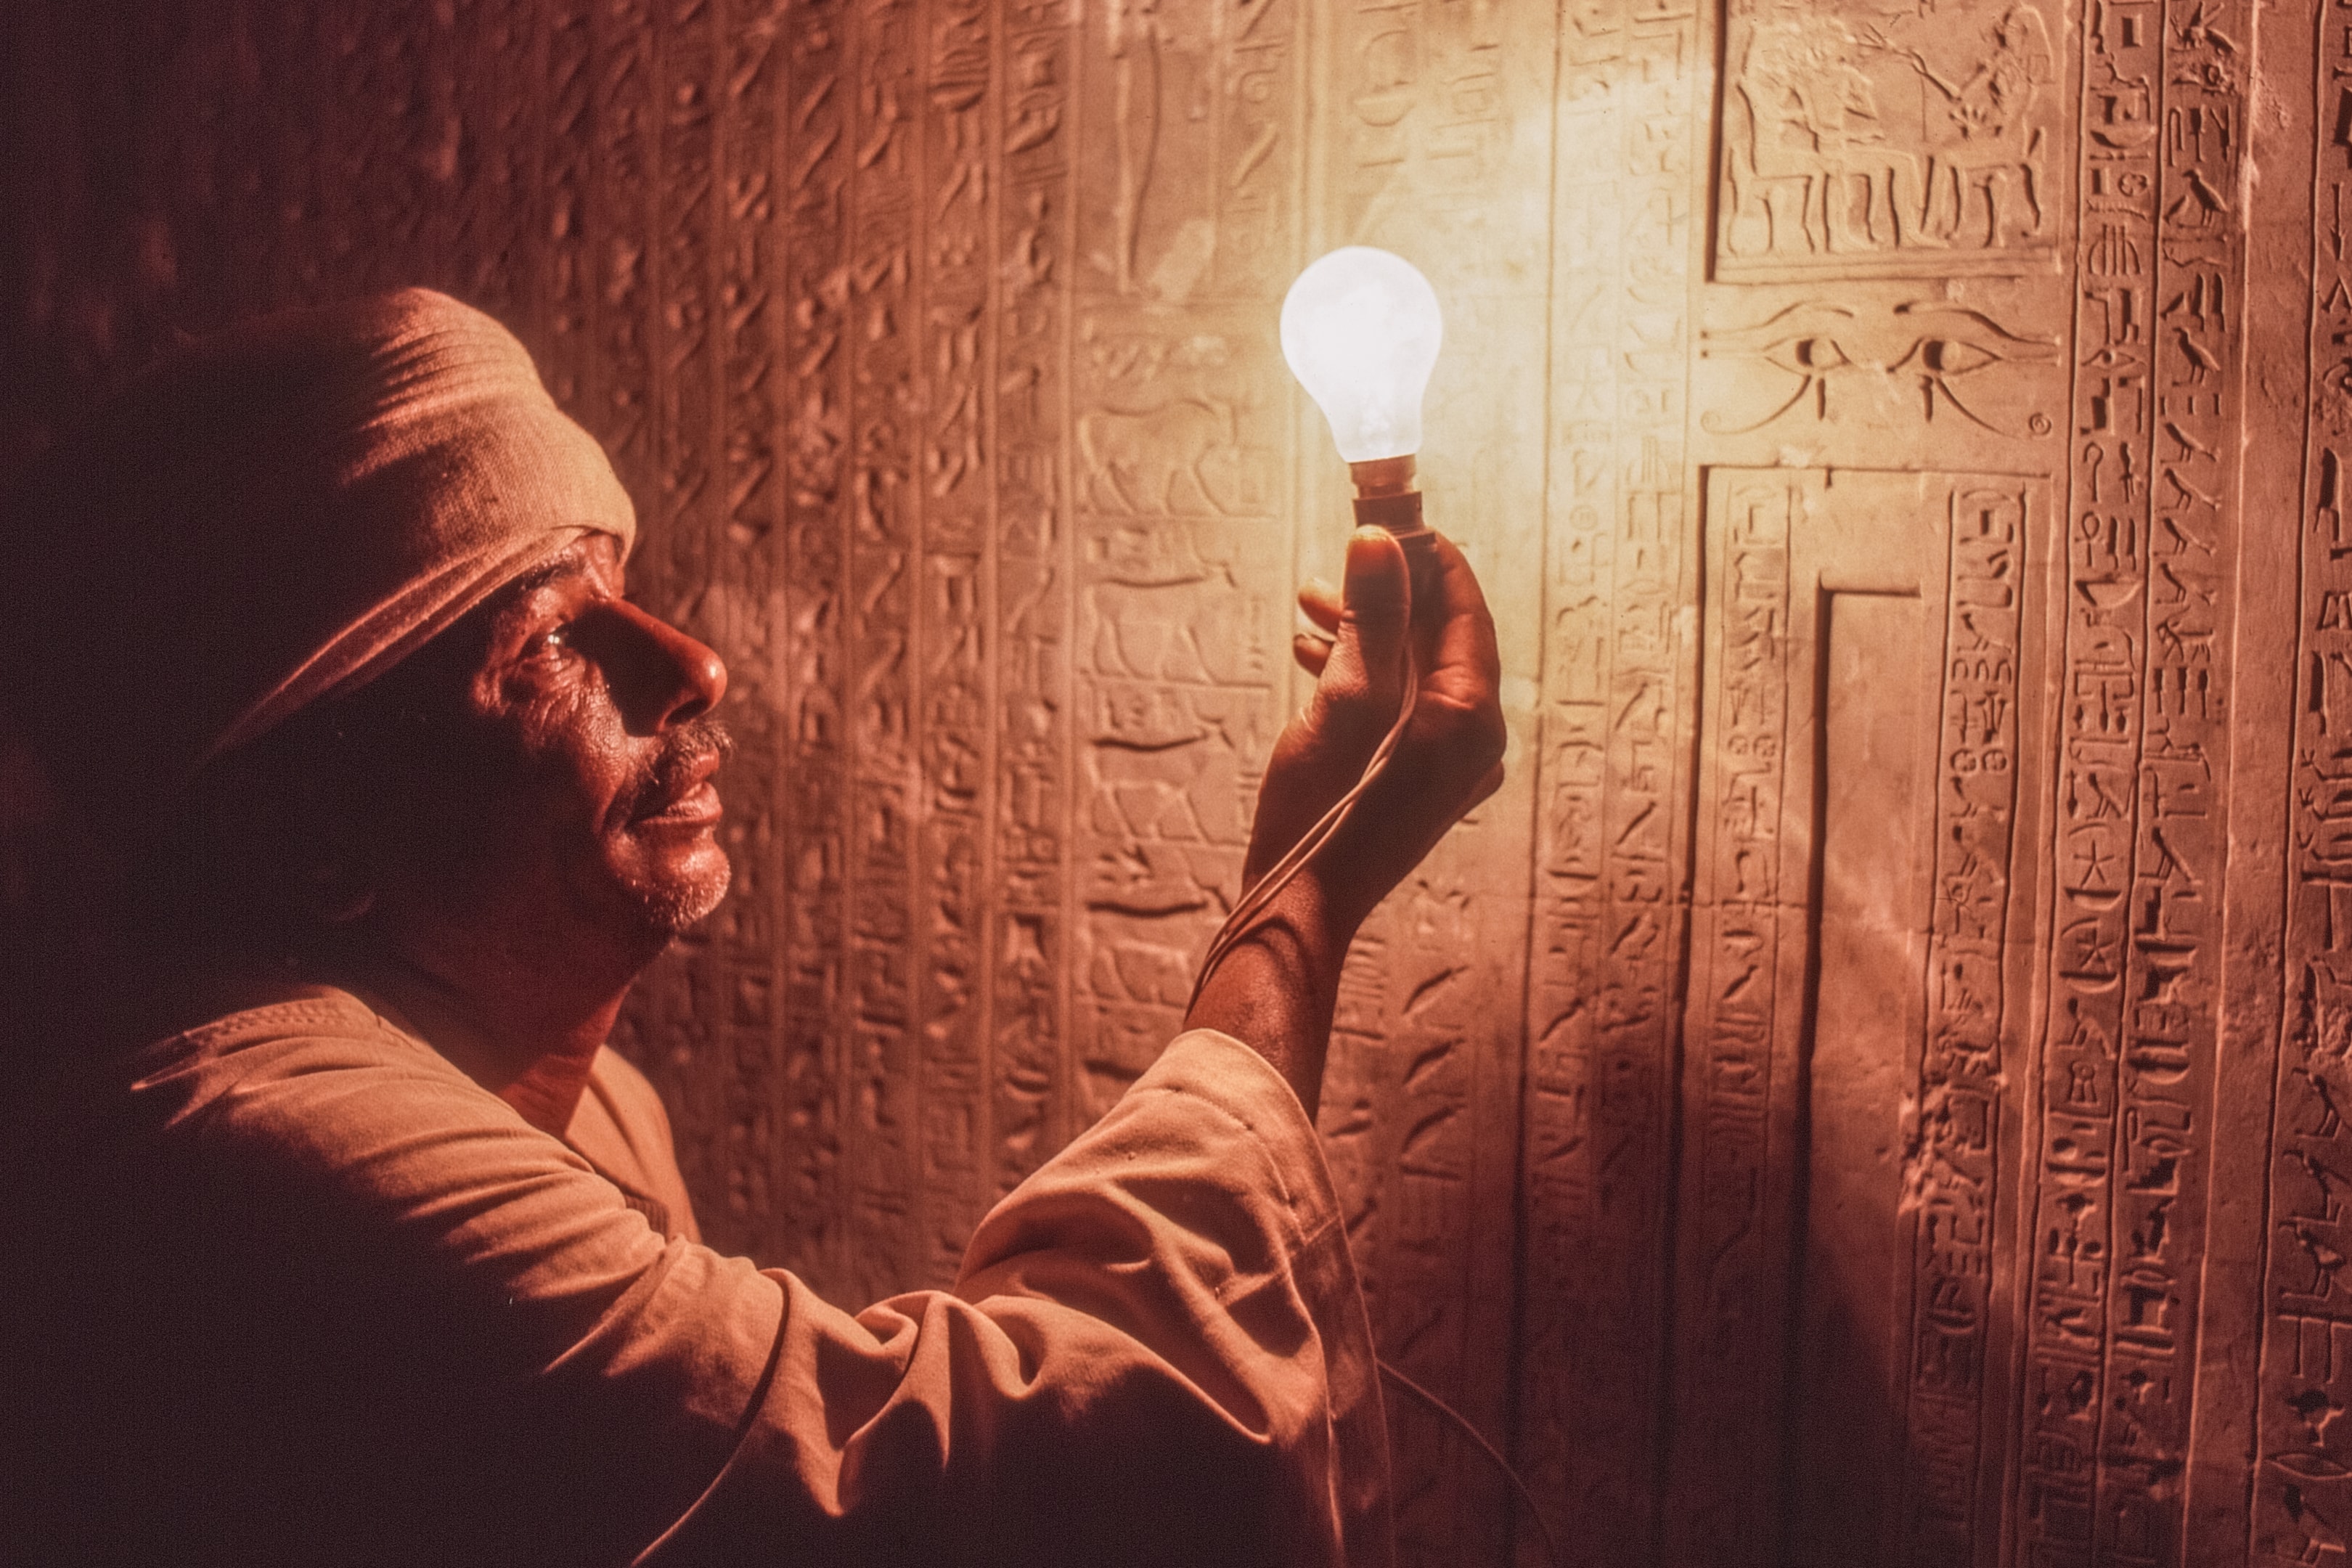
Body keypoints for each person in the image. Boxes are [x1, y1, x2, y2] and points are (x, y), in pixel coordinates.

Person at [0, 288, 1505, 1567]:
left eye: (626, 592)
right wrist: (1302, 888)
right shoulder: (267, 1169)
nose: (696, 667)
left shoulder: (577, 1107)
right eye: (544, 648)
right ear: (310, 837)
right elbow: (1073, 1475)